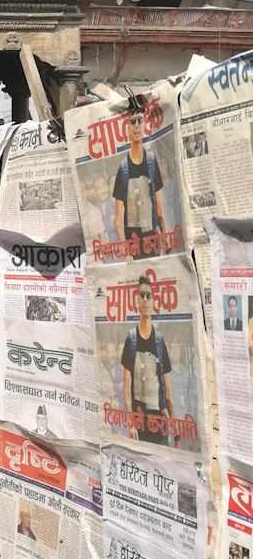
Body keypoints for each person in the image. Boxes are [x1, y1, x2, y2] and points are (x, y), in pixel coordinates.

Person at [121, 275, 178, 446]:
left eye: (149, 296)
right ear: (137, 300)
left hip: (159, 426)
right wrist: (131, 424)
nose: (145, 300)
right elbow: (126, 386)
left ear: (154, 301)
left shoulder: (160, 341)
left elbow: (168, 392)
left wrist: (176, 436)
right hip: (139, 427)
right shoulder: (131, 339)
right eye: (142, 295)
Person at [111, 112, 166, 257]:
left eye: (139, 122)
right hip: (132, 245)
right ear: (127, 132)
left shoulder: (152, 162)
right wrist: (125, 252)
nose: (136, 127)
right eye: (132, 123)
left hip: (152, 241)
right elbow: (118, 219)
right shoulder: (123, 168)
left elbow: (160, 211)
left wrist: (166, 240)